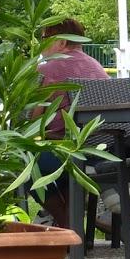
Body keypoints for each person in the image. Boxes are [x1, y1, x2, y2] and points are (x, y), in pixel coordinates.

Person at [33, 18, 109, 229]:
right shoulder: (97, 67)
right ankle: (69, 221)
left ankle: (66, 225)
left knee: (26, 162)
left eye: (44, 38)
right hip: (101, 151)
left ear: (61, 42)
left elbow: (30, 119)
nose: (41, 44)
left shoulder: (47, 70)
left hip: (65, 151)